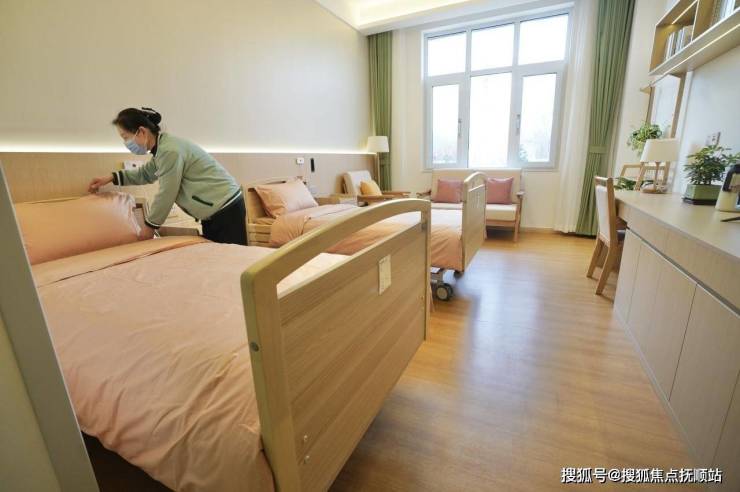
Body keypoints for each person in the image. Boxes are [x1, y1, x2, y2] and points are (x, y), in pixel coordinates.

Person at [89, 107, 247, 245]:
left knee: (233, 261)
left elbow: (167, 192)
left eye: (125, 137)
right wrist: (111, 177)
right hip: (217, 210)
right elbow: (145, 174)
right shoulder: (162, 149)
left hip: (225, 209)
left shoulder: (169, 150)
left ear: (141, 131)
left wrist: (149, 227)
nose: (126, 143)